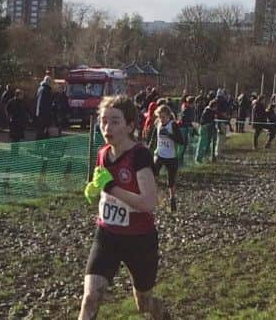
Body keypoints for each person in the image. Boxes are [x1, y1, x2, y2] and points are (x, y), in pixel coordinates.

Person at [80, 96, 169, 320]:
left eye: (115, 121)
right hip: (107, 235)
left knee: (144, 303)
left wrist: (111, 189)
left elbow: (149, 202)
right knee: (90, 299)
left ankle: (163, 314)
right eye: (103, 121)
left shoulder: (140, 155)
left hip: (139, 239)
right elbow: (104, 187)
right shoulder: (102, 153)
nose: (107, 127)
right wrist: (94, 191)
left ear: (130, 126)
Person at [149, 105, 184, 212]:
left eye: (163, 117)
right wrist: (149, 148)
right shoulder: (158, 124)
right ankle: (152, 198)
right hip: (159, 154)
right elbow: (153, 138)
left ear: (169, 116)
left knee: (171, 181)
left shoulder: (173, 125)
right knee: (152, 175)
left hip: (171, 157)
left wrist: (169, 135)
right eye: (159, 117)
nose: (161, 119)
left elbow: (181, 141)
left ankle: (172, 199)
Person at [177, 96, 195, 165]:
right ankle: (179, 158)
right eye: (193, 103)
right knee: (182, 143)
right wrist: (190, 124)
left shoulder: (188, 108)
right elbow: (183, 119)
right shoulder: (186, 109)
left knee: (185, 143)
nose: (194, 104)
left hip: (186, 127)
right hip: (183, 127)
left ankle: (181, 158)